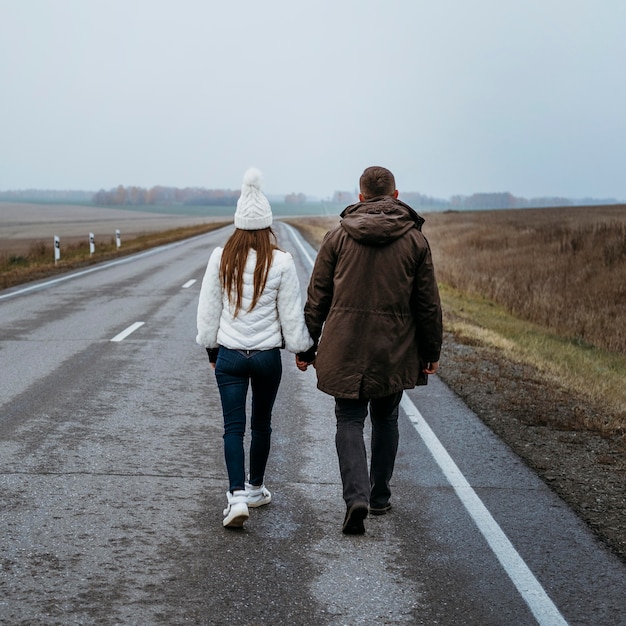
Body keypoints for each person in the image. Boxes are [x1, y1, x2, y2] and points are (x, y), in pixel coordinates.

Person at [296, 166, 442, 535]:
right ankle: (378, 497)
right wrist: (430, 351)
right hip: (393, 347)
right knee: (386, 419)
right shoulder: (415, 241)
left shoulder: (337, 237)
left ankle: (355, 497)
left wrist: (307, 344)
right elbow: (427, 305)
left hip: (344, 346)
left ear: (360, 197)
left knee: (348, 419)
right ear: (395, 195)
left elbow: (318, 297)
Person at [197, 167, 313, 528]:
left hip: (230, 355)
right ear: (268, 225)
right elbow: (291, 316)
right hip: (265, 358)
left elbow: (208, 312)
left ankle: (235, 498)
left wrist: (212, 351)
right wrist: (302, 350)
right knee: (262, 424)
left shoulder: (221, 258)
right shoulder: (281, 261)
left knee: (233, 427)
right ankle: (256, 488)